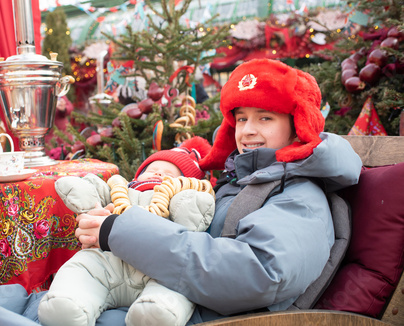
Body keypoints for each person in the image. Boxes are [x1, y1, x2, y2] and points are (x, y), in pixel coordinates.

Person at [73, 58, 363, 325]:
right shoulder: (242, 180)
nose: (248, 130)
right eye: (241, 118)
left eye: (265, 118)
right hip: (161, 300)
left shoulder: (300, 194)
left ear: (297, 127)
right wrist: (125, 216)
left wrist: (123, 233)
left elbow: (257, 273)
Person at [39, 136, 215, 326]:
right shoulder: (119, 190)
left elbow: (191, 220)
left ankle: (153, 312)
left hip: (158, 268)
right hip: (107, 261)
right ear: (137, 176)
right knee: (83, 268)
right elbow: (94, 192)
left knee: (174, 287)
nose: (159, 175)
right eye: (152, 170)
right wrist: (85, 194)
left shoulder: (176, 200)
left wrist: (190, 202)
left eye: (169, 175)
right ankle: (68, 304)